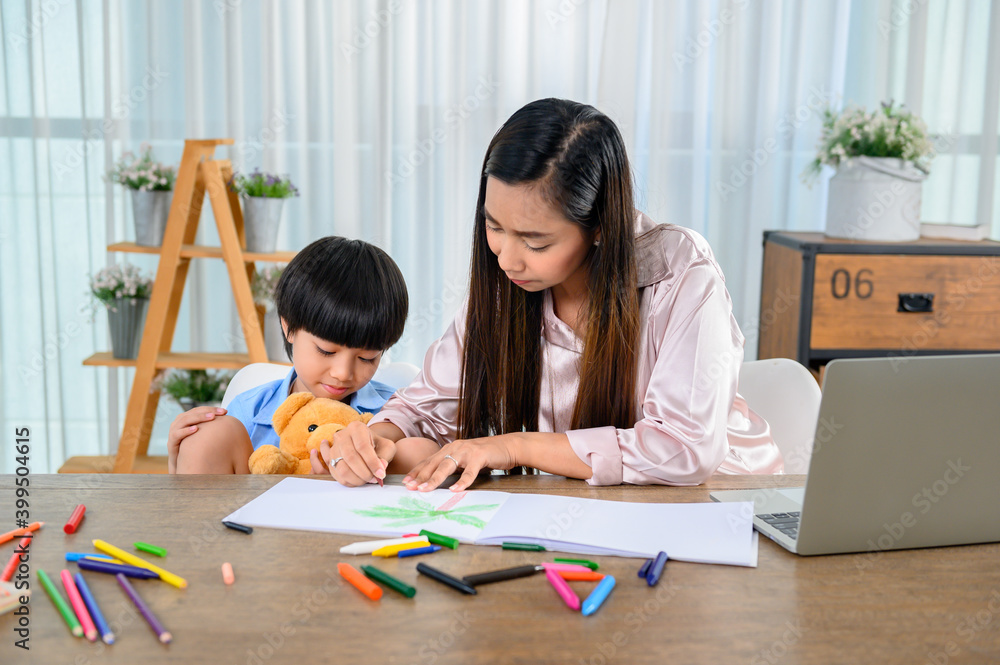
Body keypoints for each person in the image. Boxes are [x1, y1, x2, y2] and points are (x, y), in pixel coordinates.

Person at [316, 98, 783, 490]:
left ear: (599, 227)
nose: (507, 259)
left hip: (724, 501)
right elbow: (428, 403)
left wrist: (514, 445)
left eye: (536, 242)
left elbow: (683, 449)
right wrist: (374, 435)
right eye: (493, 226)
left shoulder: (680, 272)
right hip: (591, 508)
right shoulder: (508, 282)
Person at [168, 236, 408, 474]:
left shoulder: (394, 413)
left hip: (356, 511)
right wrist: (181, 457)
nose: (342, 373)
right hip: (255, 511)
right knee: (207, 436)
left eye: (367, 357)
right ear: (289, 327)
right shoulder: (250, 411)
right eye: (326, 350)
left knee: (414, 448)